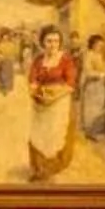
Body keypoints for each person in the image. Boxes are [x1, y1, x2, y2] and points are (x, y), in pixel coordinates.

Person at [26, 26, 78, 180]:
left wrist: (53, 96)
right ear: (43, 42)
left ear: (60, 42)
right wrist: (36, 92)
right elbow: (32, 80)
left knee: (54, 136)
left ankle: (50, 169)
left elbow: (70, 85)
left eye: (56, 41)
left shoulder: (66, 59)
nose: (53, 44)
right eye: (49, 41)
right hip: (41, 103)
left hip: (59, 103)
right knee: (38, 134)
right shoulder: (38, 59)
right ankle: (39, 169)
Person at [77, 35, 105, 141]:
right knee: (91, 109)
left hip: (100, 86)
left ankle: (96, 130)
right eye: (98, 45)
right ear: (93, 45)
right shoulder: (89, 55)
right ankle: (90, 132)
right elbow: (88, 72)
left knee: (99, 108)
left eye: (102, 45)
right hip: (92, 86)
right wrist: (100, 75)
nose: (101, 47)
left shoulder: (100, 55)